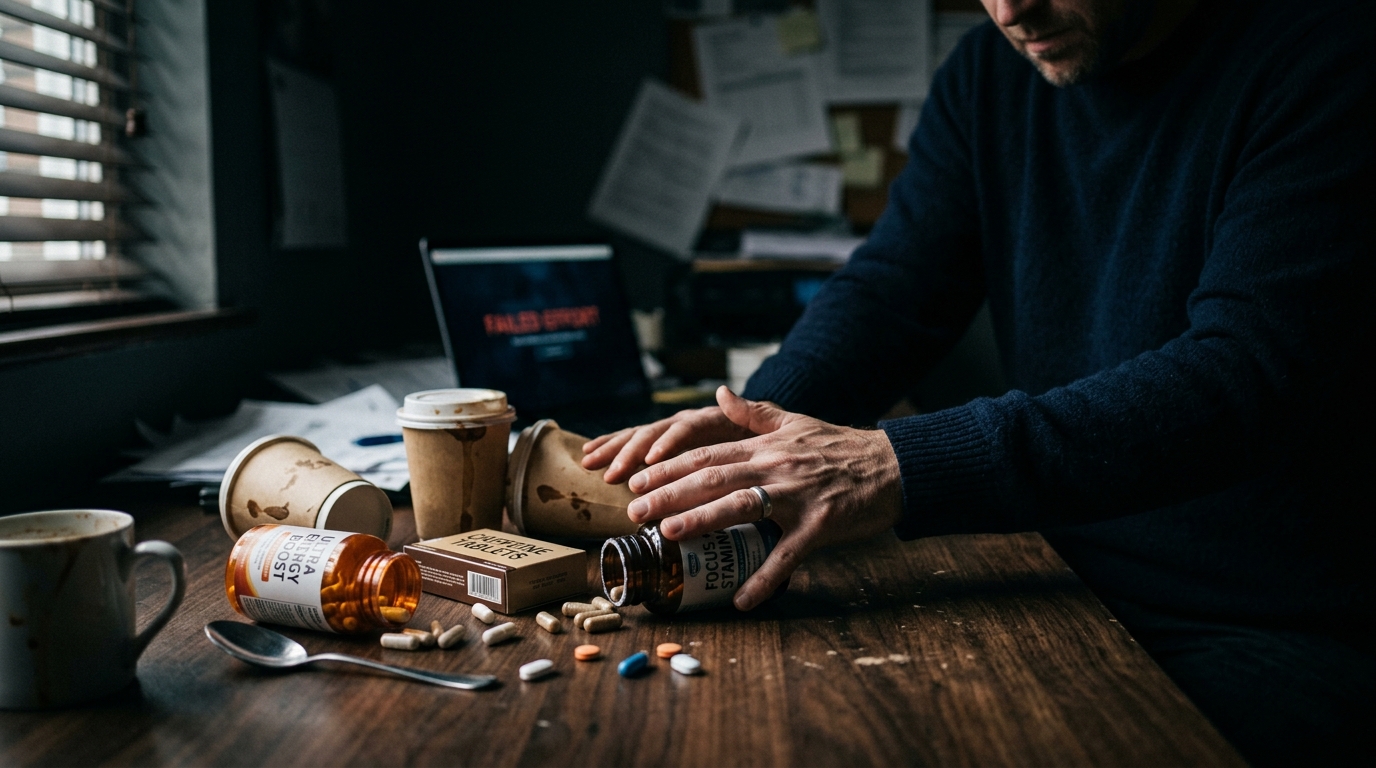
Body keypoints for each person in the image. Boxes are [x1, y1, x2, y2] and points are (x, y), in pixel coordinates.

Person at [582, 0, 1373, 763]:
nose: (1009, 10)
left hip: (1271, 622)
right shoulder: (988, 74)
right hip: (1061, 576)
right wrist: (756, 423)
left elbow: (1245, 375)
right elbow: (895, 289)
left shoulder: (1328, 57)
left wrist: (897, 465)